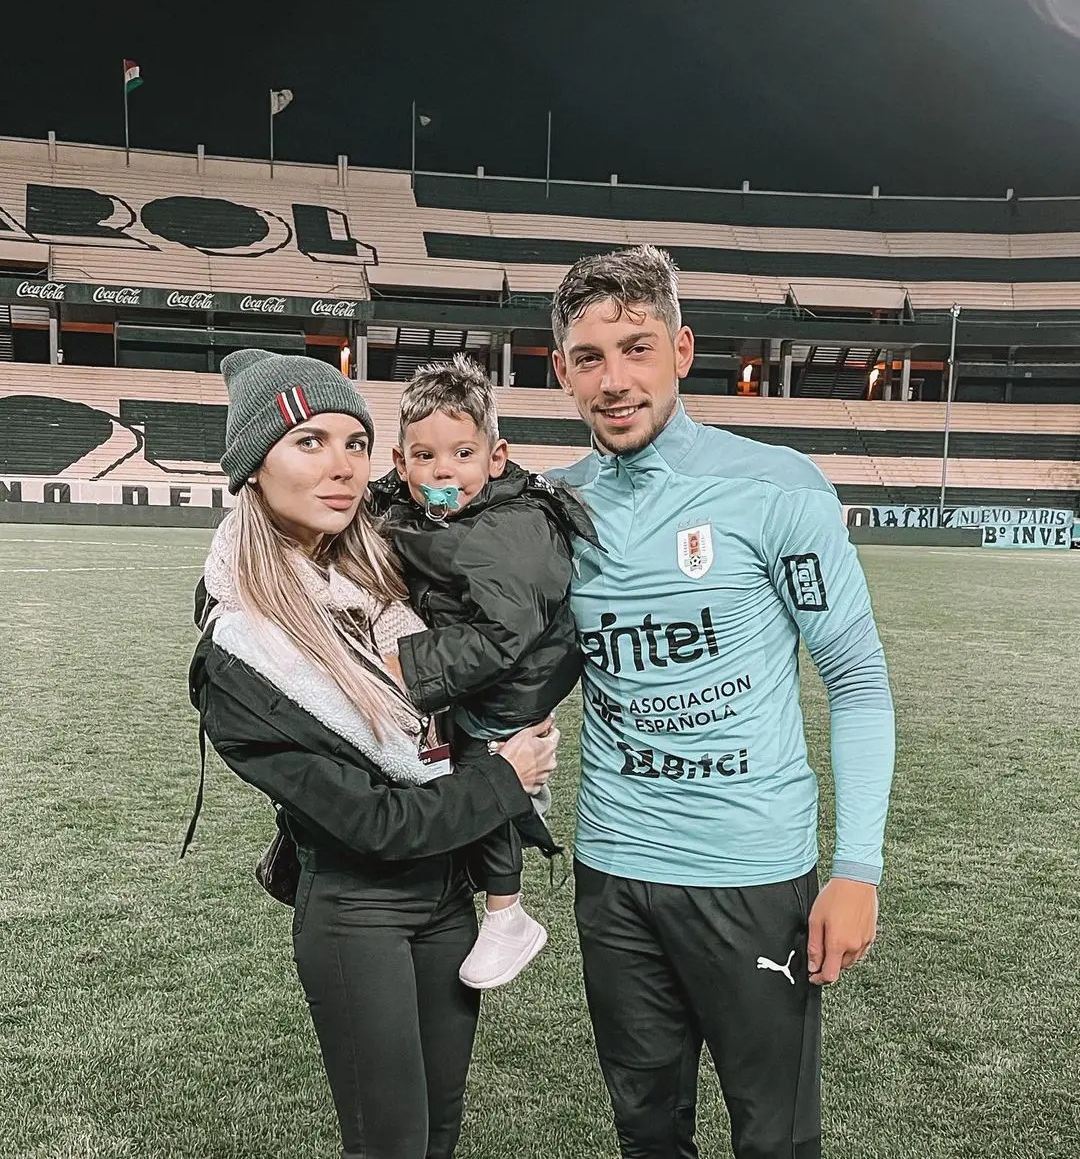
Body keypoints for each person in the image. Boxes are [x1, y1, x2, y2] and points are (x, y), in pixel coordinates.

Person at [546, 246, 896, 1159]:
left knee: (775, 1140)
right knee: (646, 1134)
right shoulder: (549, 508)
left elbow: (855, 676)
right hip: (614, 872)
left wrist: (858, 868)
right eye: (590, 357)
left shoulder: (775, 487)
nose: (615, 380)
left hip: (751, 873)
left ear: (682, 350)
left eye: (637, 347)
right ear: (562, 372)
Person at [186, 348, 559, 1159]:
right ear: (253, 467)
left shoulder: (381, 578)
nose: (342, 465)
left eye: (356, 442)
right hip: (360, 909)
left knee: (439, 1135)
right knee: (390, 1143)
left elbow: (492, 518)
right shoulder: (242, 650)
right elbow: (373, 821)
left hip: (448, 894)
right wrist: (504, 776)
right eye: (310, 441)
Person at [369, 352, 595, 989]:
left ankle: (507, 912)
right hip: (490, 666)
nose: (443, 471)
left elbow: (501, 634)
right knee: (450, 763)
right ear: (400, 461)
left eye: (462, 455)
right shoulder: (442, 508)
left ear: (496, 458)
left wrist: (402, 667)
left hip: (519, 673)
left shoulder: (509, 529)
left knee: (481, 766)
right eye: (425, 457)